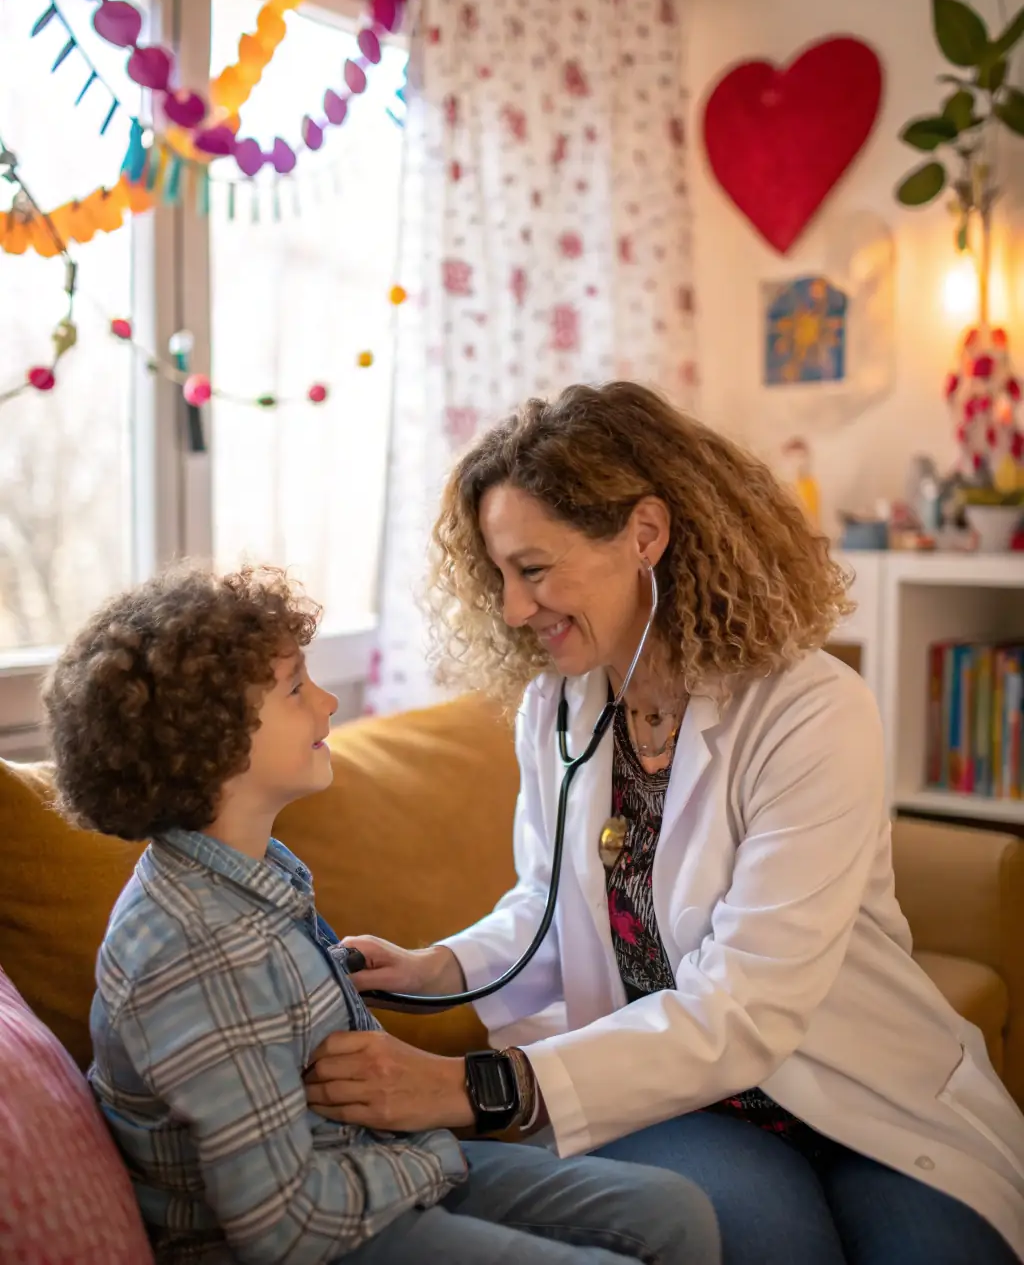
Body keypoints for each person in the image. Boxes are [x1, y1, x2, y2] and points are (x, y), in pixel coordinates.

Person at [305, 383, 1024, 1265]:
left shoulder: (810, 711)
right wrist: (436, 966)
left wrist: (477, 1085)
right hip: (674, 1097)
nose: (513, 608)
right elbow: (549, 908)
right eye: (499, 575)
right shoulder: (558, 709)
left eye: (534, 569)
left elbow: (744, 1005)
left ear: (645, 534)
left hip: (856, 1086)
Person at [42, 562, 718, 1265]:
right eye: (297, 687)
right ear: (211, 737)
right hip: (324, 1235)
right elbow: (287, 1230)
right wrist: (433, 1159)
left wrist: (403, 981)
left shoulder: (251, 876)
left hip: (367, 1170)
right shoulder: (192, 953)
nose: (329, 702)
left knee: (676, 1212)